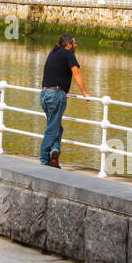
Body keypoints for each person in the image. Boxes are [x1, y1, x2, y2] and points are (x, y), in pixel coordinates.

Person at [38, 33, 89, 168]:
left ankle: (54, 154)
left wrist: (64, 88)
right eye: (74, 43)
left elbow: (54, 73)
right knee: (52, 129)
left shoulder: (53, 53)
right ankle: (44, 159)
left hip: (44, 94)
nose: (76, 45)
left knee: (55, 127)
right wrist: (84, 92)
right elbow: (76, 72)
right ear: (68, 45)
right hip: (55, 95)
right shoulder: (68, 53)